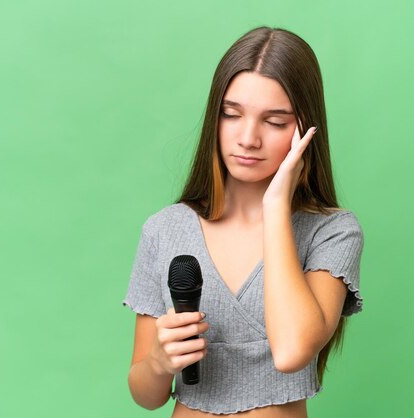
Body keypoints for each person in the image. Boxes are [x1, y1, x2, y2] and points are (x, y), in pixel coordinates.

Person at [122, 25, 365, 417]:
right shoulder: (164, 229)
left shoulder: (333, 232)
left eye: (275, 121)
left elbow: (291, 351)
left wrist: (275, 208)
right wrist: (158, 363)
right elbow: (145, 395)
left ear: (306, 130)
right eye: (231, 114)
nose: (248, 138)